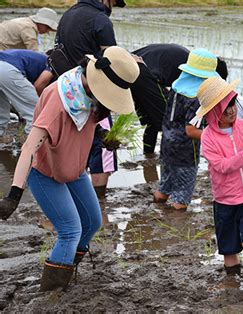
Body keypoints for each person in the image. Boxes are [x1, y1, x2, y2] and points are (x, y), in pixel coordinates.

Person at [0, 46, 139, 292]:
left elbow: (82, 125)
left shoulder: (87, 93)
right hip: (44, 172)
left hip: (74, 170)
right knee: (70, 230)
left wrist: (103, 136)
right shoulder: (60, 99)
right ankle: (52, 293)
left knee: (93, 222)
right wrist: (14, 194)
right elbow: (29, 147)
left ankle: (65, 268)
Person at [196, 76, 243, 288]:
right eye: (225, 106)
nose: (231, 110)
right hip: (225, 199)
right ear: (213, 110)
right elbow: (221, 166)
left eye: (232, 103)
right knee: (229, 248)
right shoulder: (208, 137)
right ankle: (233, 286)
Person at [55, 0, 126, 201]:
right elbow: (111, 59)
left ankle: (72, 197)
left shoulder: (68, 15)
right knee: (104, 147)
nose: (112, 7)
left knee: (74, 145)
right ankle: (98, 202)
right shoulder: (100, 19)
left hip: (66, 90)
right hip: (94, 91)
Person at [152, 48, 219, 210]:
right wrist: (215, 137)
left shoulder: (176, 89)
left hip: (167, 145)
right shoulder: (195, 98)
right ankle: (178, 226)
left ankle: (157, 207)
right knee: (181, 196)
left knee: (164, 186)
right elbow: (191, 130)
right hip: (186, 153)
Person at [131, 43, 190, 156]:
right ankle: (168, 155)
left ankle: (148, 154)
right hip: (144, 72)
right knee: (166, 118)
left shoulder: (185, 56)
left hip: (134, 67)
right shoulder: (190, 70)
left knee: (152, 119)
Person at [0, 49, 52, 143]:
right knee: (34, 110)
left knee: (1, 109)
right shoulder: (53, 64)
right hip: (8, 69)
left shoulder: (38, 58)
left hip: (4, 64)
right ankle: (32, 144)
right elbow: (38, 86)